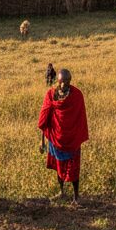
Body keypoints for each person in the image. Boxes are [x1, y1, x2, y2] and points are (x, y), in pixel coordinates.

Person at [38, 68, 89, 203]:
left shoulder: (77, 95)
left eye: (66, 82)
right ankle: (61, 192)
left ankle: (76, 196)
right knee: (59, 167)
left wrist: (78, 136)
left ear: (70, 81)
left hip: (72, 139)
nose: (63, 85)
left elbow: (80, 118)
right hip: (55, 138)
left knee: (73, 169)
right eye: (61, 82)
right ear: (57, 81)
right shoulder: (50, 95)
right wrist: (42, 140)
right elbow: (45, 119)